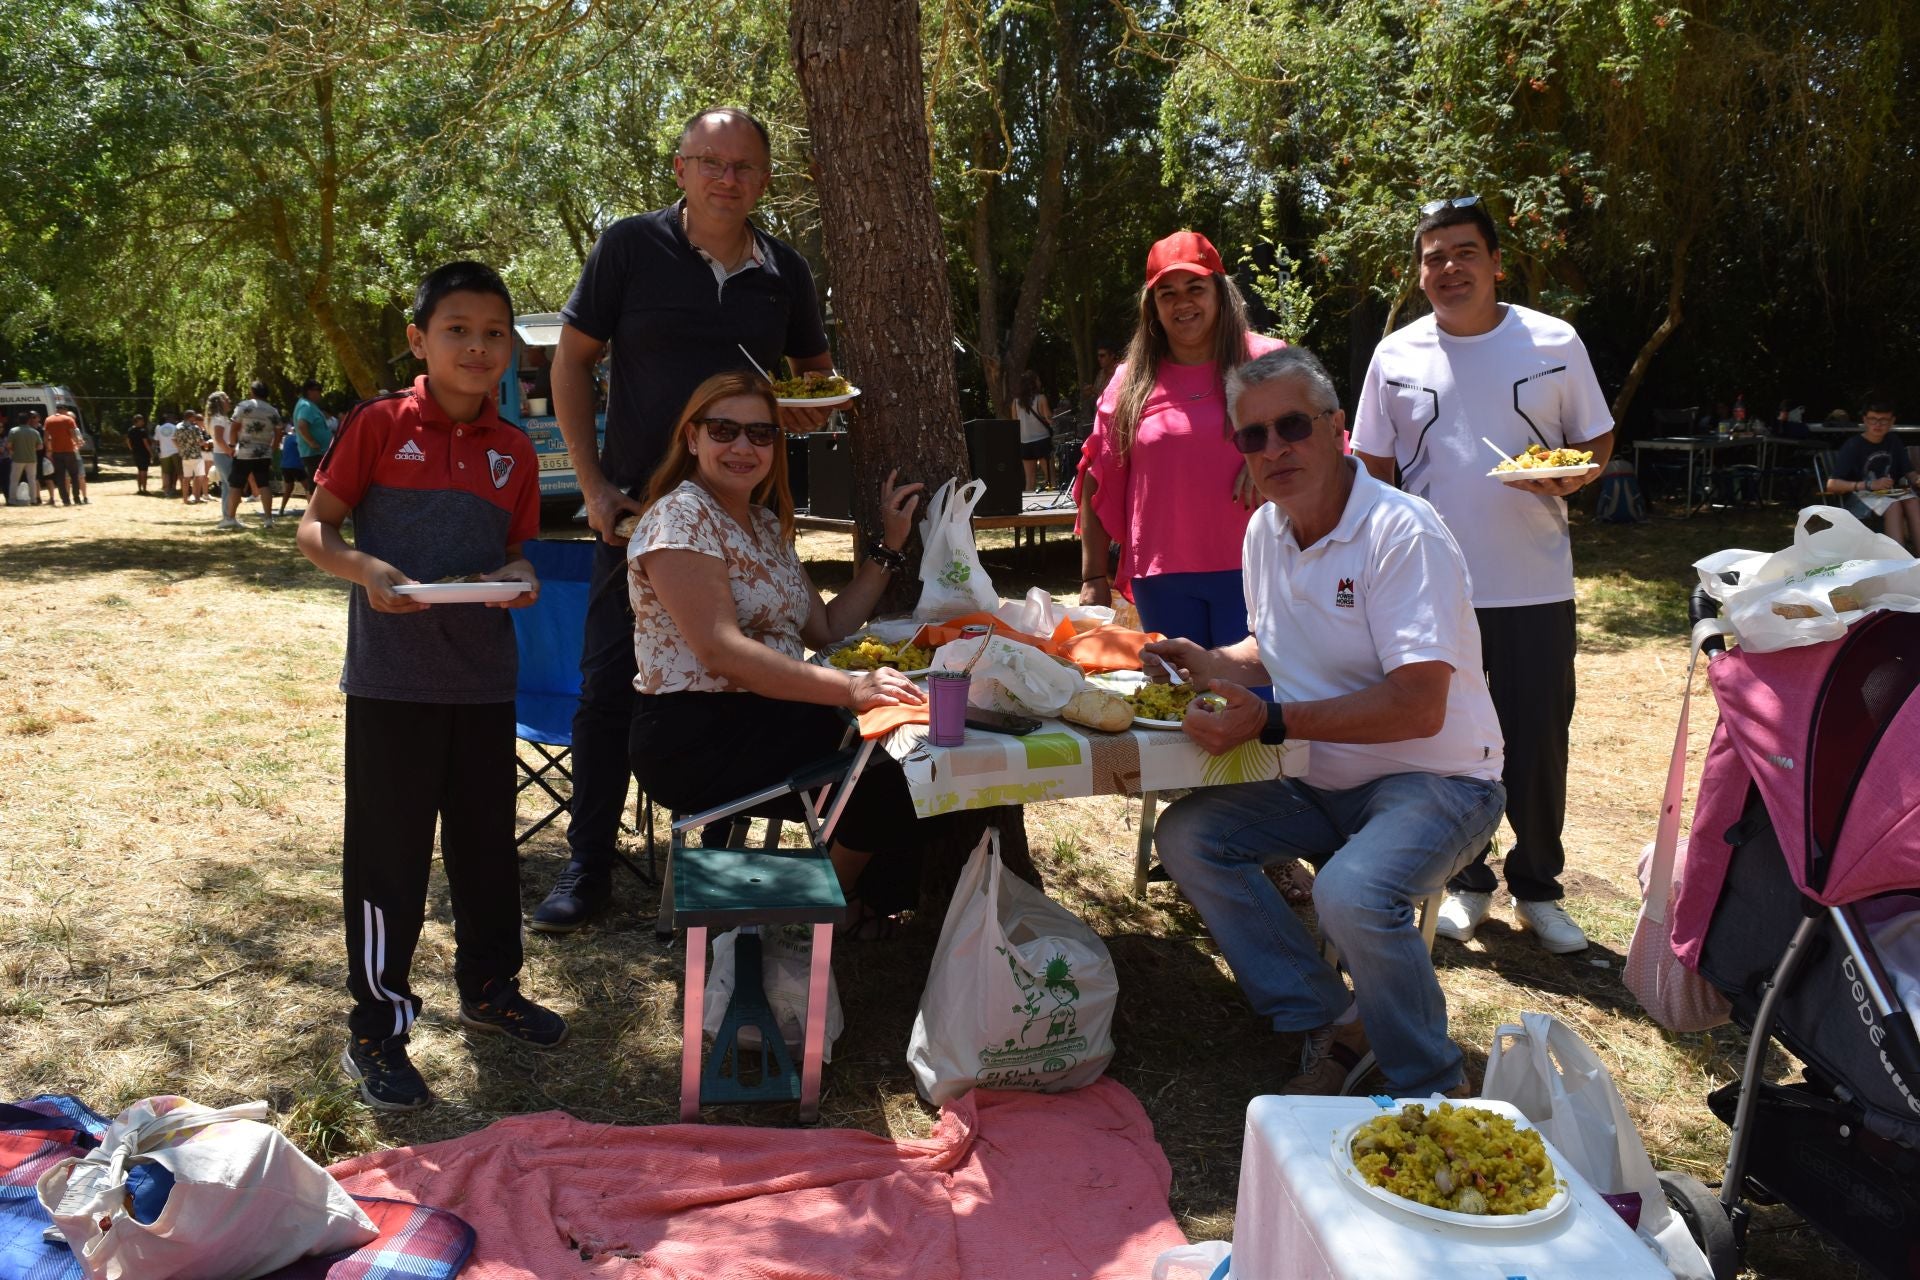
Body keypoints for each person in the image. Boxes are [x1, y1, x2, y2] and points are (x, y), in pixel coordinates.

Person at [1146, 346, 1505, 1097]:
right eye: (1254, 436)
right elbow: (1272, 650)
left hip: (1440, 781)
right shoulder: (1265, 533)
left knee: (1349, 892)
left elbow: (1418, 704)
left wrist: (1270, 721)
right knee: (1187, 836)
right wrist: (1209, 663)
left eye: (1293, 426)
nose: (1275, 449)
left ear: (1338, 427)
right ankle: (1338, 1022)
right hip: (1319, 775)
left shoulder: (1403, 532)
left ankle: (1429, 1090)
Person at [532, 105, 840, 933]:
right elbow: (571, 362)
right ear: (681, 170)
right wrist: (594, 487)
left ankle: (729, 864)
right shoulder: (628, 248)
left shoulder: (787, 273)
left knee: (746, 670)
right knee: (605, 692)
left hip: (741, 517)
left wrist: (802, 410)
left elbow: (816, 374)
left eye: (742, 166)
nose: (725, 179)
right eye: (710, 162)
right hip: (639, 516)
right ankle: (588, 864)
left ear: (763, 179)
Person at [297, 260, 561, 1112]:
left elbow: (519, 554)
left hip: (485, 684)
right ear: (420, 339)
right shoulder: (377, 425)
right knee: (389, 860)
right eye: (458, 330)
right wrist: (364, 567)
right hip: (392, 683)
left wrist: (520, 575)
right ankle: (375, 1027)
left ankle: (489, 991)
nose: (477, 348)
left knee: (487, 851)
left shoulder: (515, 452)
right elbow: (315, 529)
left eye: (493, 334)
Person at [1351, 197, 1611, 955]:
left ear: (1497, 263)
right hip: (1431, 591)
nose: (1449, 269)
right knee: (1449, 746)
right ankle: (1467, 883)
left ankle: (1539, 888)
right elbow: (1371, 465)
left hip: (1533, 583)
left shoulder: (1553, 340)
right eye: (1433, 257)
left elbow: (1593, 436)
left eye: (1464, 253)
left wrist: (1576, 475)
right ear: (1420, 271)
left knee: (1536, 741)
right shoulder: (1395, 355)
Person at [627, 370, 926, 920]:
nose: (743, 446)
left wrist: (890, 548)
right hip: (696, 733)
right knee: (889, 779)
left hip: (773, 714)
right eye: (724, 430)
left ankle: (852, 900)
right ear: (691, 438)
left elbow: (827, 628)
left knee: (914, 759)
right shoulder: (680, 514)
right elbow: (721, 651)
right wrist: (854, 688)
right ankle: (828, 914)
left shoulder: (764, 524)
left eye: (761, 434)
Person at [1076, 230, 1286, 646]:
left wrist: (1269, 452)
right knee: (1180, 705)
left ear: (1220, 294)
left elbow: (1324, 444)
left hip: (1259, 567)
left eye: (1195, 287)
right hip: (1162, 577)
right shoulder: (1130, 379)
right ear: (1152, 306)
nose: (1182, 302)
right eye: (1166, 293)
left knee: (1255, 702)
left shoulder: (1271, 361)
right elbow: (1097, 475)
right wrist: (1093, 577)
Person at [1827, 400, 1919, 553]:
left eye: (1883, 420)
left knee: (1913, 500)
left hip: (1887, 495)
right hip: (1858, 499)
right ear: (1864, 420)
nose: (1878, 424)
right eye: (1873, 419)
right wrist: (1869, 485)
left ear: (1892, 421)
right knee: (1893, 504)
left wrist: (1916, 479)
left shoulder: (1893, 441)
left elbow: (1909, 472)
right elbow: (1832, 485)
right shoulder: (1853, 445)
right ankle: (1898, 561)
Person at [225, 382, 283, 529]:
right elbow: (278, 432)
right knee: (264, 483)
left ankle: (230, 518)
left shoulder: (244, 406)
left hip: (244, 451)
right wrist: (273, 449)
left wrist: (232, 446)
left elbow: (234, 428)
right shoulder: (273, 411)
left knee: (236, 484)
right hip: (263, 452)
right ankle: (268, 519)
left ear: (252, 391)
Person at [286, 378, 332, 515]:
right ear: (310, 391)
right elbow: (301, 425)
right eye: (318, 391)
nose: (320, 394)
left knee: (318, 484)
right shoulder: (306, 406)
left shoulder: (308, 405)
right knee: (315, 484)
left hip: (317, 452)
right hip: (313, 453)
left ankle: (320, 513)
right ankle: (315, 515)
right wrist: (312, 442)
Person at [1010, 370, 1055, 491]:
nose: (1040, 382)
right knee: (1050, 479)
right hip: (1042, 441)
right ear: (1034, 383)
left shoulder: (1015, 402)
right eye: (1038, 380)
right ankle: (1052, 504)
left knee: (1030, 480)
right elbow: (1049, 419)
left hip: (1025, 442)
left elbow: (1015, 423)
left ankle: (1028, 508)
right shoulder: (1041, 398)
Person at [205, 391, 235, 513]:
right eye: (226, 399)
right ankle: (228, 516)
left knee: (228, 487)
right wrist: (230, 451)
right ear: (220, 402)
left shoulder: (218, 418)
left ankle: (228, 516)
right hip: (223, 455)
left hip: (221, 454)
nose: (229, 401)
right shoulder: (218, 418)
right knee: (230, 487)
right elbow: (218, 438)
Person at [174, 411, 210, 505]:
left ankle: (185, 498)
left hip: (185, 456)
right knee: (199, 476)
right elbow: (200, 441)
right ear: (190, 417)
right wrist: (207, 444)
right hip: (196, 455)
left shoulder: (178, 426)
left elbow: (174, 439)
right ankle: (197, 497)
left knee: (186, 478)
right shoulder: (195, 428)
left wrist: (180, 449)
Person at [6, 415, 41, 506]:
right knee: (32, 480)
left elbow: (9, 445)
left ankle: (12, 500)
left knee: (14, 480)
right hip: (32, 459)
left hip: (17, 458)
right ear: (28, 421)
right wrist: (32, 449)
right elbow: (40, 446)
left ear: (18, 420)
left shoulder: (13, 431)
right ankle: (33, 499)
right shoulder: (34, 432)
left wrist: (13, 451)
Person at [154, 413, 181, 498]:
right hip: (175, 451)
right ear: (170, 419)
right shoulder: (175, 427)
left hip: (164, 453)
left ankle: (166, 491)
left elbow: (156, 440)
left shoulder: (159, 428)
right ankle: (181, 489)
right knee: (179, 471)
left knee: (166, 473)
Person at [125, 414, 153, 495]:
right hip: (144, 453)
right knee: (144, 471)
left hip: (136, 453)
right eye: (142, 420)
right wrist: (151, 452)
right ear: (138, 421)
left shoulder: (130, 430)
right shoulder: (142, 431)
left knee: (139, 471)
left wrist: (132, 449)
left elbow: (127, 441)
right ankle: (144, 489)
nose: (143, 422)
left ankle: (139, 489)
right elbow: (146, 443)